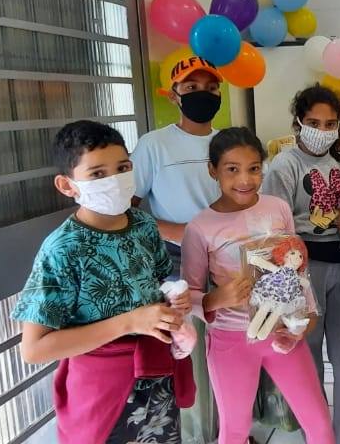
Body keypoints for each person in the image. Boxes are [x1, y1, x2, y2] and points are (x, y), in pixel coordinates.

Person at [13, 120, 193, 444]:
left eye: (122, 168)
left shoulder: (143, 224)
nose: (114, 180)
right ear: (67, 185)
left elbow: (153, 284)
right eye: (97, 174)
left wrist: (172, 300)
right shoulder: (63, 249)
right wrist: (131, 322)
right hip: (102, 392)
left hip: (156, 379)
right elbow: (34, 348)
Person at [182, 127, 335, 444]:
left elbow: (295, 265)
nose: (245, 179)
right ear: (213, 170)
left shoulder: (277, 207)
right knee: (234, 430)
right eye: (232, 169)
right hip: (231, 339)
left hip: (282, 332)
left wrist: (305, 315)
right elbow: (189, 296)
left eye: (253, 169)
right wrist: (216, 299)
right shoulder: (200, 227)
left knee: (319, 423)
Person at [260, 85, 340, 444]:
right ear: (298, 122)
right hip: (304, 270)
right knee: (307, 359)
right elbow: (275, 230)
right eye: (313, 123)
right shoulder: (285, 165)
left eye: (330, 124)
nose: (322, 131)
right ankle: (319, 435)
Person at [131, 53, 225, 443]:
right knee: (188, 352)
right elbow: (127, 211)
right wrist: (180, 230)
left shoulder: (227, 142)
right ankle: (198, 436)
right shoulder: (154, 145)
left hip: (225, 259)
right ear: (174, 95)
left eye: (211, 88)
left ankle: (228, 430)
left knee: (227, 347)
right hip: (175, 265)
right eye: (191, 87)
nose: (202, 94)